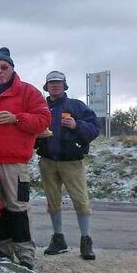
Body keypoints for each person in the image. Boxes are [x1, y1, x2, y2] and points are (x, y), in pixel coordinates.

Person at [0, 47, 50, 269]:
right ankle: (4, 247)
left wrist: (17, 118)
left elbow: (43, 119)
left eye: (4, 67)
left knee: (18, 206)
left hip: (14, 161)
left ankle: (25, 253)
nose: (0, 71)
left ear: (12, 68)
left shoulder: (27, 91)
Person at [36, 71, 100, 260]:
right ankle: (58, 239)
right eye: (51, 83)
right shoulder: (42, 108)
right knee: (52, 202)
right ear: (46, 87)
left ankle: (86, 241)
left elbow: (95, 128)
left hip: (72, 163)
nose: (55, 86)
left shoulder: (76, 106)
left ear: (65, 85)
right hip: (47, 161)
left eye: (58, 83)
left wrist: (77, 125)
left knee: (81, 201)